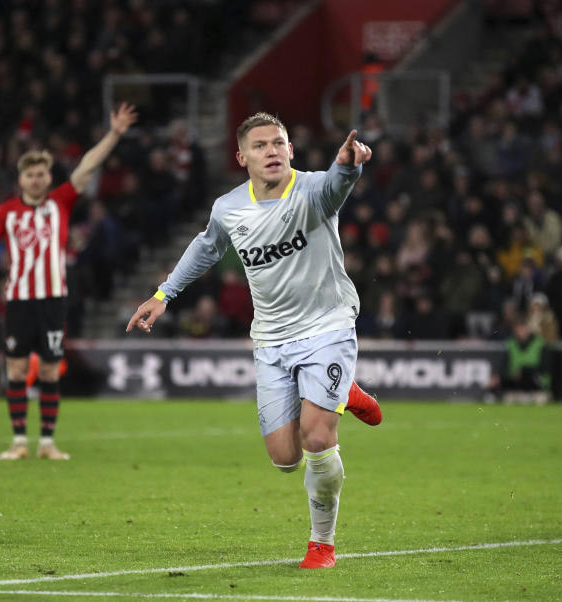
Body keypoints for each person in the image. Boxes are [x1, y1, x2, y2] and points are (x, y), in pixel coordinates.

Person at [126, 113, 383, 569]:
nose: (272, 151)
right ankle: (345, 393)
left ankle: (322, 544)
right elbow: (206, 247)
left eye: (279, 143)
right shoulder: (229, 208)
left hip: (327, 327)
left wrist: (347, 166)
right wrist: (163, 295)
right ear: (242, 157)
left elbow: (337, 186)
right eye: (261, 145)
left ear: (291, 150)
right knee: (285, 458)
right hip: (270, 339)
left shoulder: (312, 190)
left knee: (317, 437)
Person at [0, 102, 138, 461]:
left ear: (48, 176)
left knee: (47, 369)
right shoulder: (6, 211)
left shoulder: (61, 201)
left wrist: (115, 134)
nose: (37, 180)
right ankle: (18, 442)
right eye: (31, 175)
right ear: (21, 180)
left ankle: (46, 443)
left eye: (42, 174)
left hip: (53, 300)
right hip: (19, 301)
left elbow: (88, 164)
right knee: (14, 368)